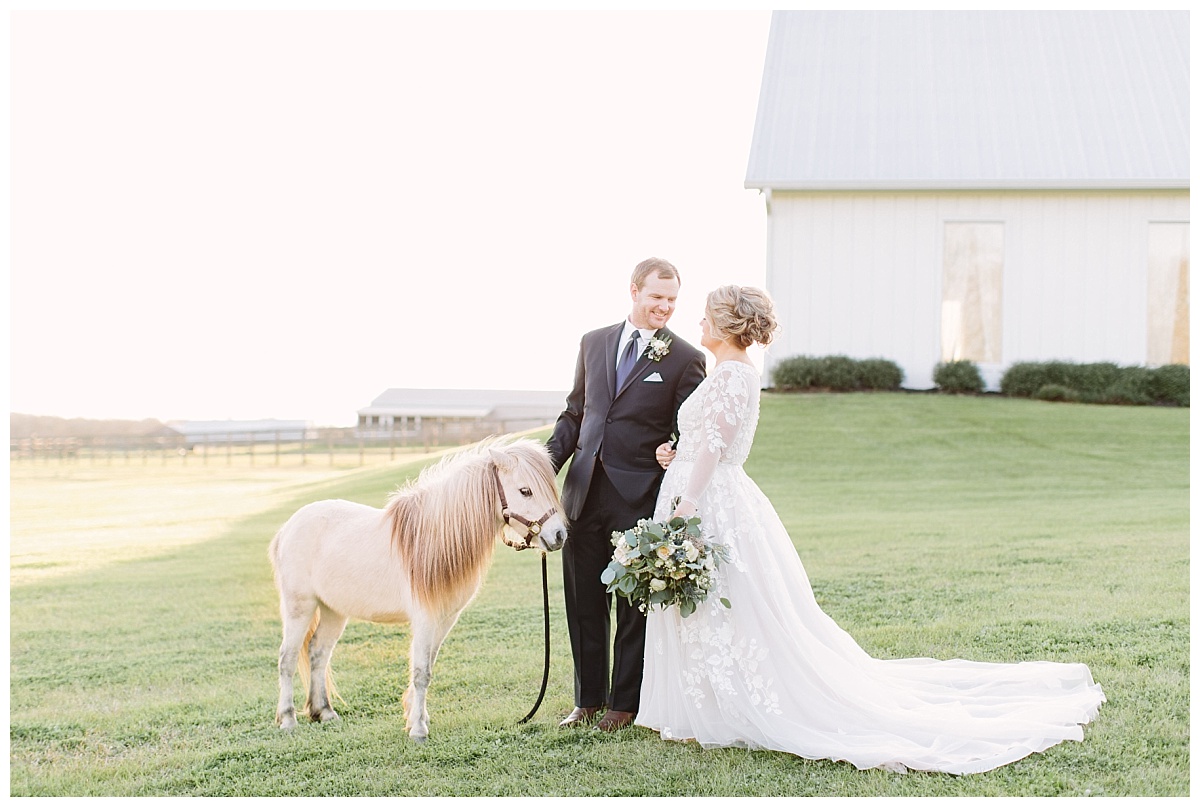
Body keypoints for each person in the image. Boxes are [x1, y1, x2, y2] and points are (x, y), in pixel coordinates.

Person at [637, 284, 1105, 774]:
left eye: (708, 317)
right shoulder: (728, 373)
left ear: (728, 324)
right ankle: (707, 703)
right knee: (716, 603)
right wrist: (675, 453)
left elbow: (716, 447)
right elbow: (704, 440)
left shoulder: (734, 375)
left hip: (707, 502)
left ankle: (736, 705)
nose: (700, 324)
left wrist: (685, 504)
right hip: (701, 490)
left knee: (729, 601)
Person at [547, 257, 706, 732]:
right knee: (582, 601)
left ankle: (624, 704)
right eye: (657, 297)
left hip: (639, 495)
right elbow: (576, 413)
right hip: (582, 490)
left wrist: (672, 448)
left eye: (673, 300)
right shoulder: (593, 342)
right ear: (634, 291)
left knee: (634, 602)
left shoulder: (685, 357)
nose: (665, 308)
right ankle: (587, 700)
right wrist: (545, 468)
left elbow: (689, 429)